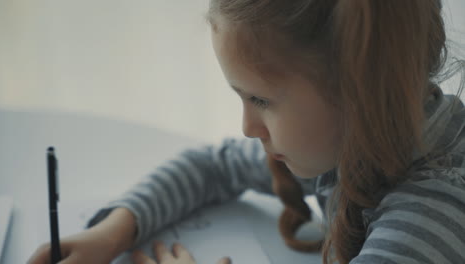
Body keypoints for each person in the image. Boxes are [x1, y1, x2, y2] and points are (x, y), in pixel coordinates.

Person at [28, 0, 465, 264]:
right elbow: (212, 166)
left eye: (260, 100)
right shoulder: (344, 140)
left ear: (359, 91)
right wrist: (113, 232)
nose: (247, 128)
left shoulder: (429, 217)